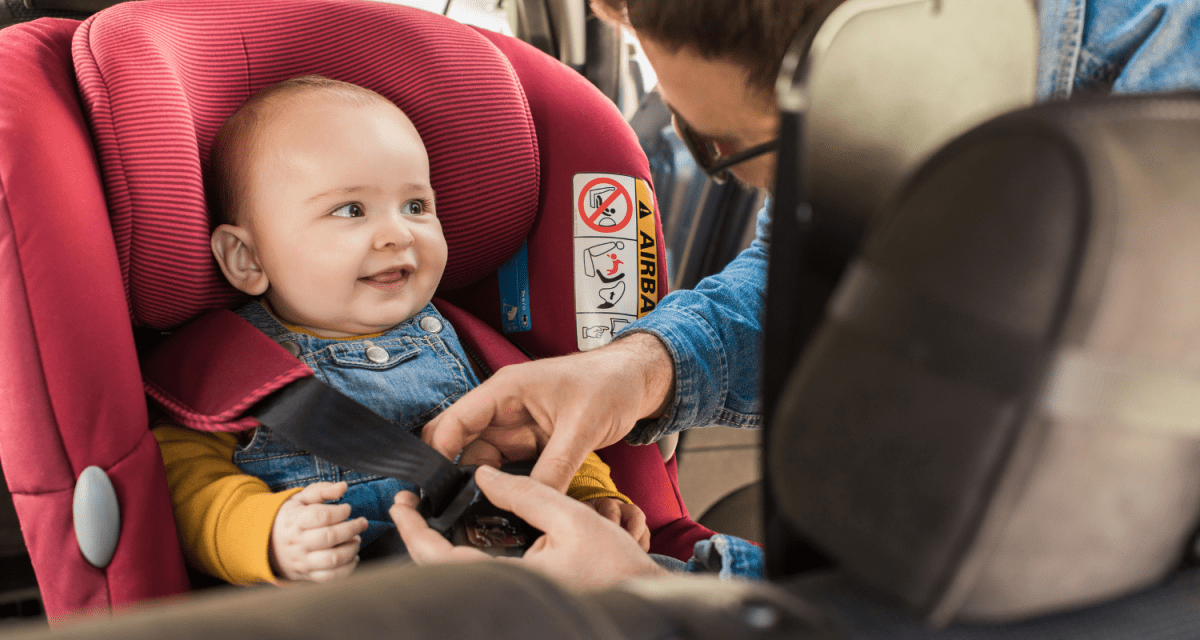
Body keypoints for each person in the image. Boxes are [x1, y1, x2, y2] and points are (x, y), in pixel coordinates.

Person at [396, 0, 1200, 587]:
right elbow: (812, 262)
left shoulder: (1167, 152)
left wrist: (654, 602)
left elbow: (1059, 590)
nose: (733, 175)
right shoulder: (864, 93)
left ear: (880, 52)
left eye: (729, 145)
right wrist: (642, 369)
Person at [151, 75, 649, 586]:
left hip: (520, 575)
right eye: (350, 210)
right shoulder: (228, 372)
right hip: (365, 603)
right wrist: (270, 535)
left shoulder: (468, 343)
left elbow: (546, 429)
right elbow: (187, 485)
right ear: (247, 257)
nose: (397, 234)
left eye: (416, 206)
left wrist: (591, 496)